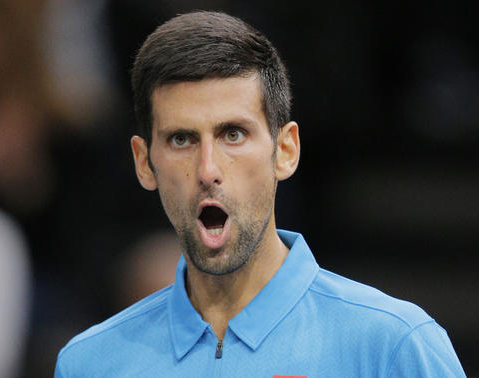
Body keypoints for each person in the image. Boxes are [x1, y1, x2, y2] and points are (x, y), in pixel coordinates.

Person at [54, 11, 465, 377]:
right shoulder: (88, 363)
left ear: (285, 151)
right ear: (144, 163)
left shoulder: (393, 347)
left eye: (233, 134)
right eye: (181, 139)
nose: (208, 170)